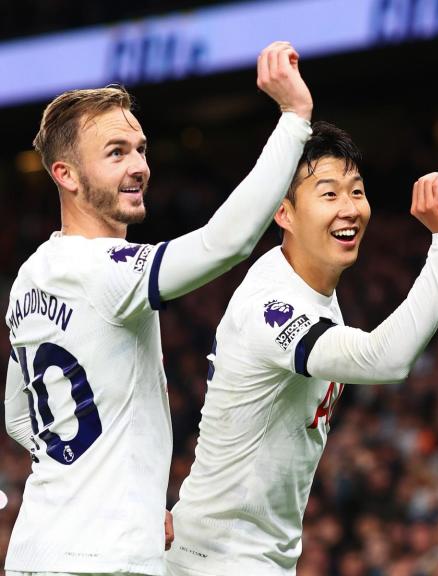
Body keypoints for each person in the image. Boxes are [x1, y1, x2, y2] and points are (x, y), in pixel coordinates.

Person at [3, 41, 313, 575]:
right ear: (66, 175)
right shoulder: (105, 269)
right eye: (116, 152)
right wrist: (293, 118)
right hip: (106, 561)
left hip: (38, 547)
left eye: (140, 148)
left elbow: (16, 414)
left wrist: (90, 477)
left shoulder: (32, 274)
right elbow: (226, 244)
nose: (139, 165)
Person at [164, 122, 438, 575]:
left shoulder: (312, 286)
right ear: (283, 213)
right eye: (329, 194)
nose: (349, 208)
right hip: (220, 560)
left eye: (356, 192)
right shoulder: (271, 305)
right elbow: (386, 358)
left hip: (245, 555)